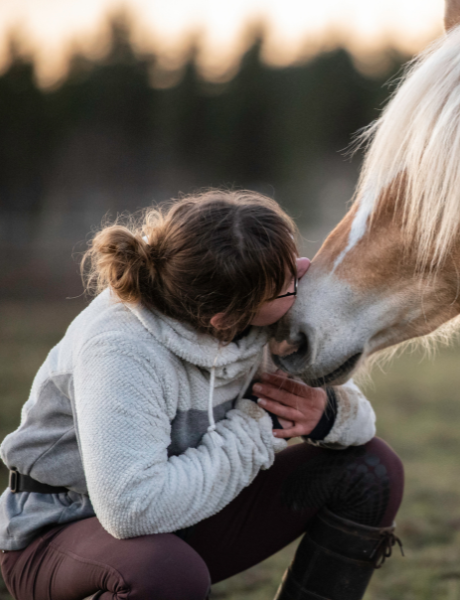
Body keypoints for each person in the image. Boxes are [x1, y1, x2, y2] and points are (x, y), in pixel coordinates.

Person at [0, 190, 404, 600]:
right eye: (287, 283)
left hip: (185, 515)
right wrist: (255, 429)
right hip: (61, 534)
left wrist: (325, 413)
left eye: (295, 259)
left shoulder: (262, 314)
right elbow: (132, 511)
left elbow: (362, 425)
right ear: (224, 318)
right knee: (167, 574)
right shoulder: (121, 347)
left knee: (372, 470)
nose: (304, 273)